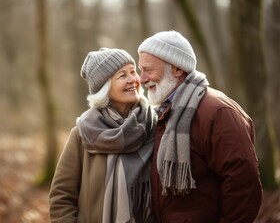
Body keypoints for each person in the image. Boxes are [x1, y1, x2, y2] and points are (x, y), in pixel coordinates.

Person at [137, 30, 263, 223]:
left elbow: (244, 188)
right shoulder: (163, 112)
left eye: (148, 70)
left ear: (177, 69)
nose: (141, 79)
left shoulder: (217, 113)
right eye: (140, 70)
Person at [49, 48, 158, 223]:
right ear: (104, 88)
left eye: (133, 71)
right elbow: (62, 196)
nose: (133, 80)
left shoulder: (154, 125)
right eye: (122, 76)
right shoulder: (82, 133)